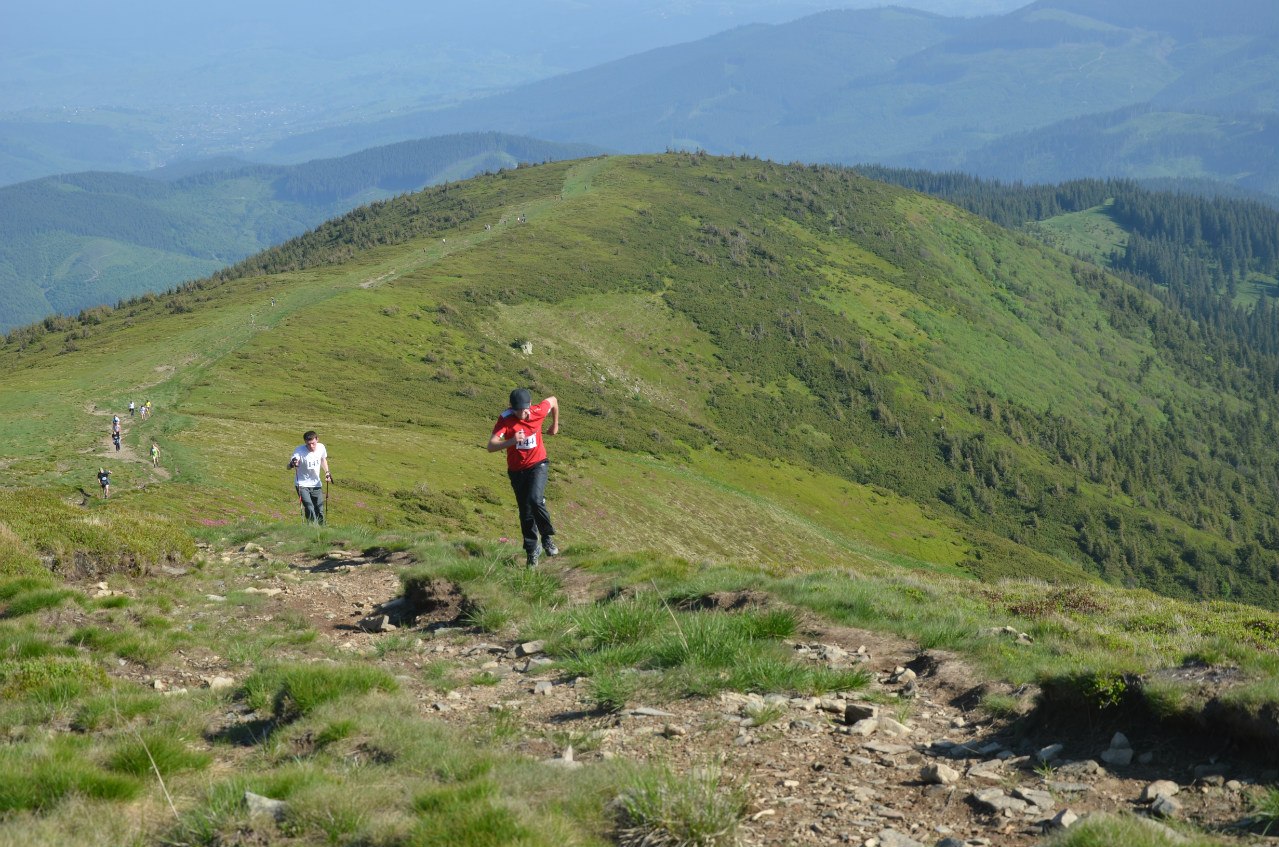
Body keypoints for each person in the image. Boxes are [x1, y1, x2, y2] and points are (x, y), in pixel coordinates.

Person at [486, 388, 560, 567]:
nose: (522, 413)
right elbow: (491, 445)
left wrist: (554, 425)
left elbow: (553, 400)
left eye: (524, 408)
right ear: (511, 407)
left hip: (538, 464)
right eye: (518, 409)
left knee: (535, 500)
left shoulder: (537, 411)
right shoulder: (506, 419)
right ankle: (532, 551)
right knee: (525, 512)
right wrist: (512, 441)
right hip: (517, 470)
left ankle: (547, 538)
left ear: (529, 405)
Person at [288, 430, 331, 524]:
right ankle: (312, 528)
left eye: (313, 443)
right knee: (309, 507)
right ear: (305, 442)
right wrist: (293, 463)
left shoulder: (321, 447)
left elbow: (323, 459)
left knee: (319, 508)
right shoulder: (299, 451)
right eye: (308, 444)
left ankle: (322, 528)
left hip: (316, 484)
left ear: (317, 440)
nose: (311, 446)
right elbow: (292, 463)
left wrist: (327, 472)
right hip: (302, 484)